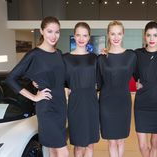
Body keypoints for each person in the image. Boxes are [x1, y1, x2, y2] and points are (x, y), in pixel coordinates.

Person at [6, 16, 69, 157]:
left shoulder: (58, 53)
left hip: (61, 106)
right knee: (63, 150)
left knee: (53, 149)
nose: (53, 36)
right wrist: (34, 96)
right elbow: (11, 78)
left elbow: (59, 78)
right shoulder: (34, 55)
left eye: (57, 32)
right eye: (49, 31)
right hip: (46, 108)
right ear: (42, 31)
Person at [98, 20, 136, 157]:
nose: (116, 37)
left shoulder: (131, 56)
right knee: (111, 141)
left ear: (123, 34)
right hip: (106, 102)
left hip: (123, 102)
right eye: (112, 34)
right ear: (108, 35)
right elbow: (96, 80)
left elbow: (145, 69)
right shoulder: (101, 58)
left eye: (119, 33)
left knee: (121, 140)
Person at [63, 22, 100, 157]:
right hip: (75, 104)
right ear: (74, 36)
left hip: (91, 103)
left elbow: (102, 78)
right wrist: (37, 81)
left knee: (90, 143)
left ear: (89, 37)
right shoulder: (66, 58)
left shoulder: (94, 58)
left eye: (85, 35)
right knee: (78, 145)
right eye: (78, 35)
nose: (81, 38)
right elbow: (58, 78)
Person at [134, 21, 157, 157]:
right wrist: (107, 52)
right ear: (144, 36)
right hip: (141, 104)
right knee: (142, 145)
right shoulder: (137, 54)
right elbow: (123, 63)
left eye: (155, 35)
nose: (152, 39)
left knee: (155, 142)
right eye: (149, 35)